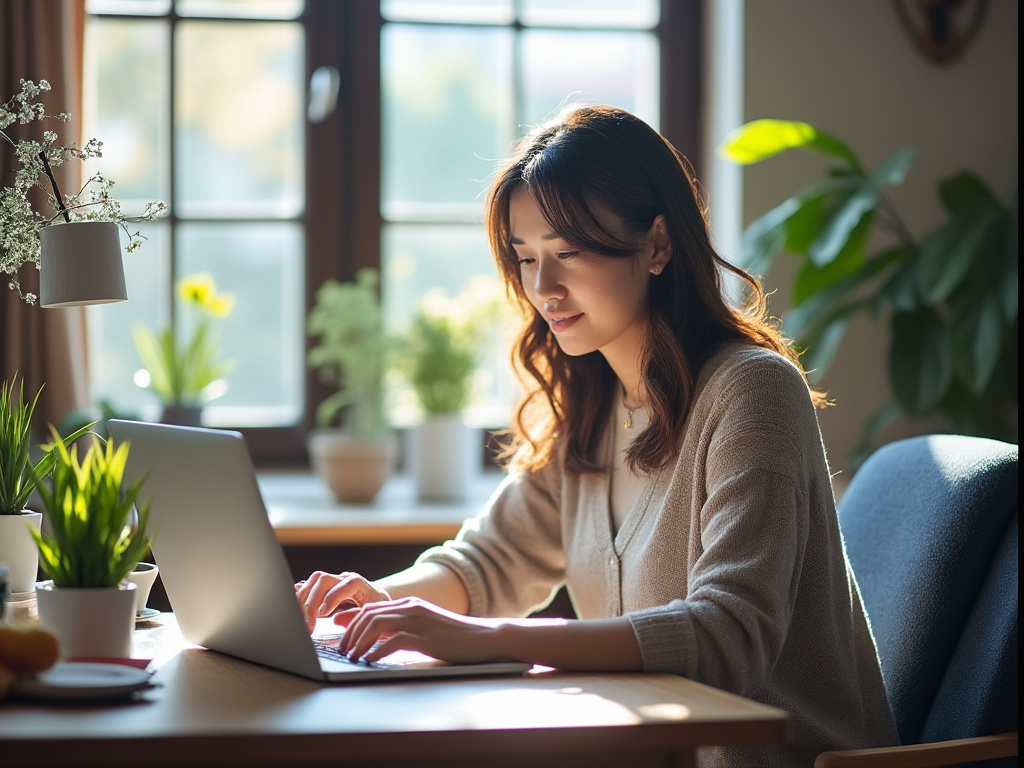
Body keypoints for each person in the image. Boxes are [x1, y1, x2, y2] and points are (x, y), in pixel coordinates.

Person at [296, 105, 899, 766]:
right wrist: (374, 602)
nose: (542, 288)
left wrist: (487, 638)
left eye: (569, 253)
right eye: (525, 258)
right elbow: (490, 562)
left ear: (658, 245)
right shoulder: (591, 404)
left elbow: (731, 636)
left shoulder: (753, 391)